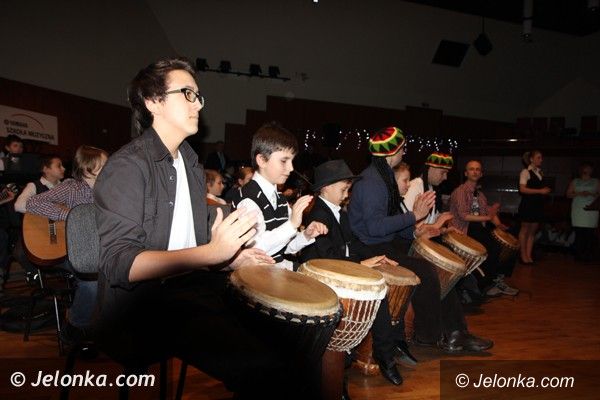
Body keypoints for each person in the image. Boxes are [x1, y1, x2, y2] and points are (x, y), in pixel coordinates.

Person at [93, 58, 300, 399]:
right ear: (153, 101)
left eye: (198, 96)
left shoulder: (189, 163)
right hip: (140, 307)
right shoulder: (128, 166)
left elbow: (195, 237)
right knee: (266, 366)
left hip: (189, 288)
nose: (198, 104)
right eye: (187, 93)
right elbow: (120, 264)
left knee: (287, 340)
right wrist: (211, 254)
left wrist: (232, 257)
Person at [348, 127, 493, 358]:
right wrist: (414, 215)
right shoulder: (372, 182)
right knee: (426, 270)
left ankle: (456, 332)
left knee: (438, 268)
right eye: (402, 148)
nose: (404, 152)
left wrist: (414, 230)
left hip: (385, 241)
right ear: (392, 151)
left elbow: (391, 220)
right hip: (370, 247)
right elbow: (375, 228)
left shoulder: (382, 176)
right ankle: (429, 335)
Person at [301, 159, 407, 386]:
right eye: (343, 189)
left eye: (347, 189)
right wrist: (360, 264)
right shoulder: (318, 215)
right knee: (377, 294)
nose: (346, 194)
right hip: (322, 280)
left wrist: (376, 256)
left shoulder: (338, 212)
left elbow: (352, 243)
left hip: (339, 269)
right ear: (325, 188)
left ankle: (384, 352)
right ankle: (383, 356)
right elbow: (327, 259)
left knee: (379, 288)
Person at [26, 146, 107, 342]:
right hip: (72, 251)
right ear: (88, 167)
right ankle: (74, 325)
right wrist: (71, 215)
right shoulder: (72, 187)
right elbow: (33, 203)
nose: (110, 166)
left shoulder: (110, 191)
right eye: (104, 163)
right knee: (92, 283)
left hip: (99, 250)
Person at [231, 122, 328, 272]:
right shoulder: (248, 199)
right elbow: (256, 250)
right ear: (262, 160)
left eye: (291, 161)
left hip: (277, 268)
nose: (291, 168)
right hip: (256, 273)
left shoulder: (280, 199)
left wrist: (306, 235)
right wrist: (292, 224)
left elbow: (285, 247)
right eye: (284, 161)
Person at [448, 160, 518, 296]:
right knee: (493, 247)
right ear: (466, 173)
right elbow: (464, 216)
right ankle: (487, 285)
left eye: (477, 169)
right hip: (462, 230)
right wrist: (487, 217)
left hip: (476, 228)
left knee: (511, 245)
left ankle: (498, 279)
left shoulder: (480, 195)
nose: (475, 171)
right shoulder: (460, 191)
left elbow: (488, 212)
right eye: (471, 169)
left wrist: (499, 225)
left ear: (481, 174)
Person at [518, 150, 551, 264]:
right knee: (525, 230)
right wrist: (540, 191)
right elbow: (522, 189)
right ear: (531, 159)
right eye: (538, 157)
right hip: (528, 204)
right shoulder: (525, 172)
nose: (541, 160)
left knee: (532, 232)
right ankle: (523, 256)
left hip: (538, 205)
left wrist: (545, 191)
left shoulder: (540, 172)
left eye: (541, 157)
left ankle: (528, 256)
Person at [566, 162, 599, 263]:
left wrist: (591, 194)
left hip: (591, 209)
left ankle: (589, 256)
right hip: (578, 209)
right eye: (585, 168)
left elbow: (599, 194)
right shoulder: (575, 181)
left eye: (589, 168)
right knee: (579, 233)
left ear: (592, 170)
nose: (587, 170)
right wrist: (579, 193)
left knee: (589, 234)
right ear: (581, 170)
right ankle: (579, 256)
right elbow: (568, 194)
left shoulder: (596, 181)